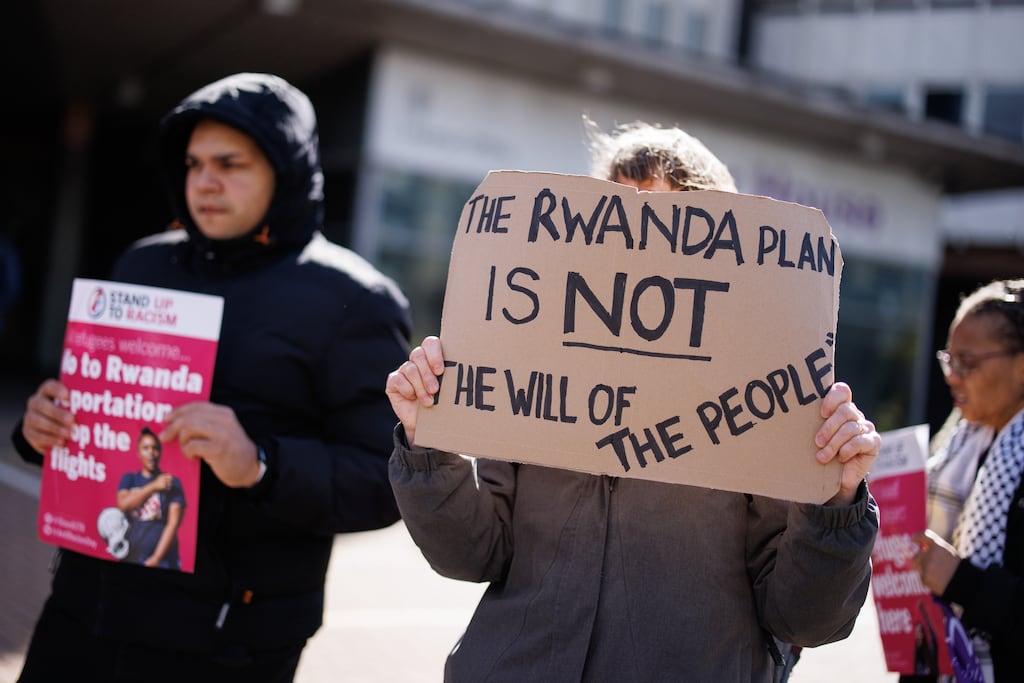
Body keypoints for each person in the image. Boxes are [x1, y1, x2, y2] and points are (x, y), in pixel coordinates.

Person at [385, 121, 881, 682]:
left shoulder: (765, 406)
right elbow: (472, 555)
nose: (639, 245)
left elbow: (805, 620)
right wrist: (429, 449)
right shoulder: (535, 376)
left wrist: (835, 505)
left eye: (666, 223)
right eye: (620, 217)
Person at [12, 73, 411, 682]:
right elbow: (101, 425)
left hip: (228, 644)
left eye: (231, 163)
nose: (206, 182)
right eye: (194, 163)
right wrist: (43, 429)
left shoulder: (353, 299)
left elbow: (386, 482)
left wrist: (260, 464)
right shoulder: (143, 262)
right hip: (84, 612)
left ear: (287, 168)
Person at [911, 279, 1024, 683]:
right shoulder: (955, 445)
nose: (952, 377)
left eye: (968, 363)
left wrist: (963, 583)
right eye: (949, 360)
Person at [117, 426, 185, 570]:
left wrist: (156, 558)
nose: (150, 453)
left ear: (160, 452)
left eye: (154, 448)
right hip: (130, 557)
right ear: (138, 453)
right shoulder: (129, 479)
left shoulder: (172, 482)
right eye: (145, 448)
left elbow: (172, 525)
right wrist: (154, 486)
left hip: (163, 562)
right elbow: (123, 504)